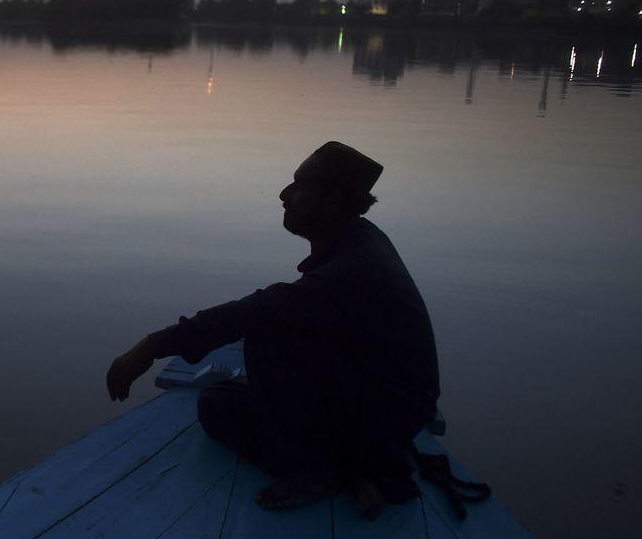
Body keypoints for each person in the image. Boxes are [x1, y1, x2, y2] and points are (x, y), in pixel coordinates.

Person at [104, 141, 439, 517]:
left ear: (332, 199)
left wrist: (150, 347)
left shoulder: (352, 270)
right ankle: (353, 467)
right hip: (377, 396)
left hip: (389, 413)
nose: (283, 195)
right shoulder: (362, 240)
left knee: (267, 335)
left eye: (299, 186)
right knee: (217, 405)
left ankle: (322, 472)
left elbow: (259, 310)